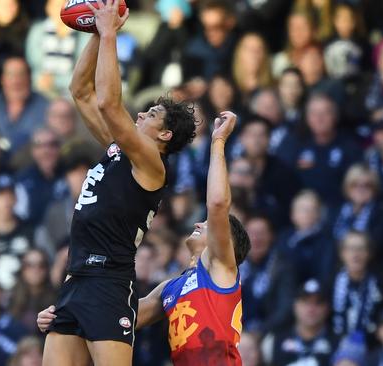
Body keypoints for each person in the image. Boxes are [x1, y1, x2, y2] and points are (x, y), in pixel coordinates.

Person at [42, 0, 197, 364]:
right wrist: (96, 33)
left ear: (165, 135)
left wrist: (111, 32)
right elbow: (80, 92)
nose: (140, 113)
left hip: (110, 284)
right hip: (75, 278)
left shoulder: (151, 164)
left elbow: (111, 104)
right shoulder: (119, 151)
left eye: (152, 115)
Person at [39, 111, 249, 365]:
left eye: (208, 226)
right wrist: (64, 313)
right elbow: (117, 317)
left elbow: (216, 204)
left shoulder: (222, 271)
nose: (198, 223)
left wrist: (218, 142)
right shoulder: (171, 289)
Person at [261, 279, 338, 366]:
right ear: (295, 305)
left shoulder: (340, 344)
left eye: (318, 303)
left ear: (327, 308)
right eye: (305, 302)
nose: (311, 309)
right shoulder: (273, 341)